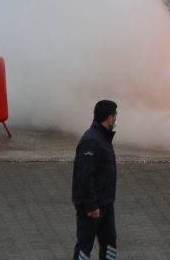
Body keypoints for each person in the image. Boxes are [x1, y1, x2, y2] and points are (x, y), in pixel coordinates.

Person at [72, 100, 119, 260]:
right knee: (85, 247)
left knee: (110, 243)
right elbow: (84, 176)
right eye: (115, 116)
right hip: (91, 207)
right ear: (110, 117)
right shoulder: (92, 140)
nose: (116, 119)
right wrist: (91, 206)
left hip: (105, 204)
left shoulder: (102, 137)